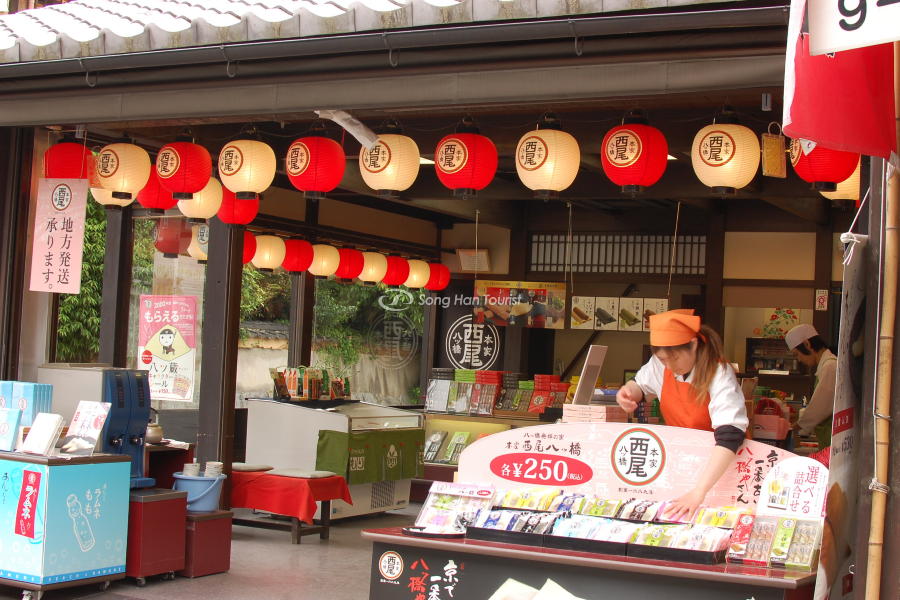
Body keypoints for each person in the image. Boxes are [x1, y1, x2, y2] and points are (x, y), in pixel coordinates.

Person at [616, 309, 748, 521]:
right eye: (662, 359)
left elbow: (730, 434)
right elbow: (641, 385)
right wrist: (628, 392)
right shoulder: (661, 364)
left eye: (674, 358)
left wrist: (699, 491)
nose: (668, 365)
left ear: (694, 345)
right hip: (685, 463)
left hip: (724, 465)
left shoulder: (719, 373)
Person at [785, 324, 836, 451]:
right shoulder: (826, 365)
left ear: (807, 344)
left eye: (797, 354)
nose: (799, 360)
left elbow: (819, 408)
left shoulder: (830, 366)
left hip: (832, 437)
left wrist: (792, 428)